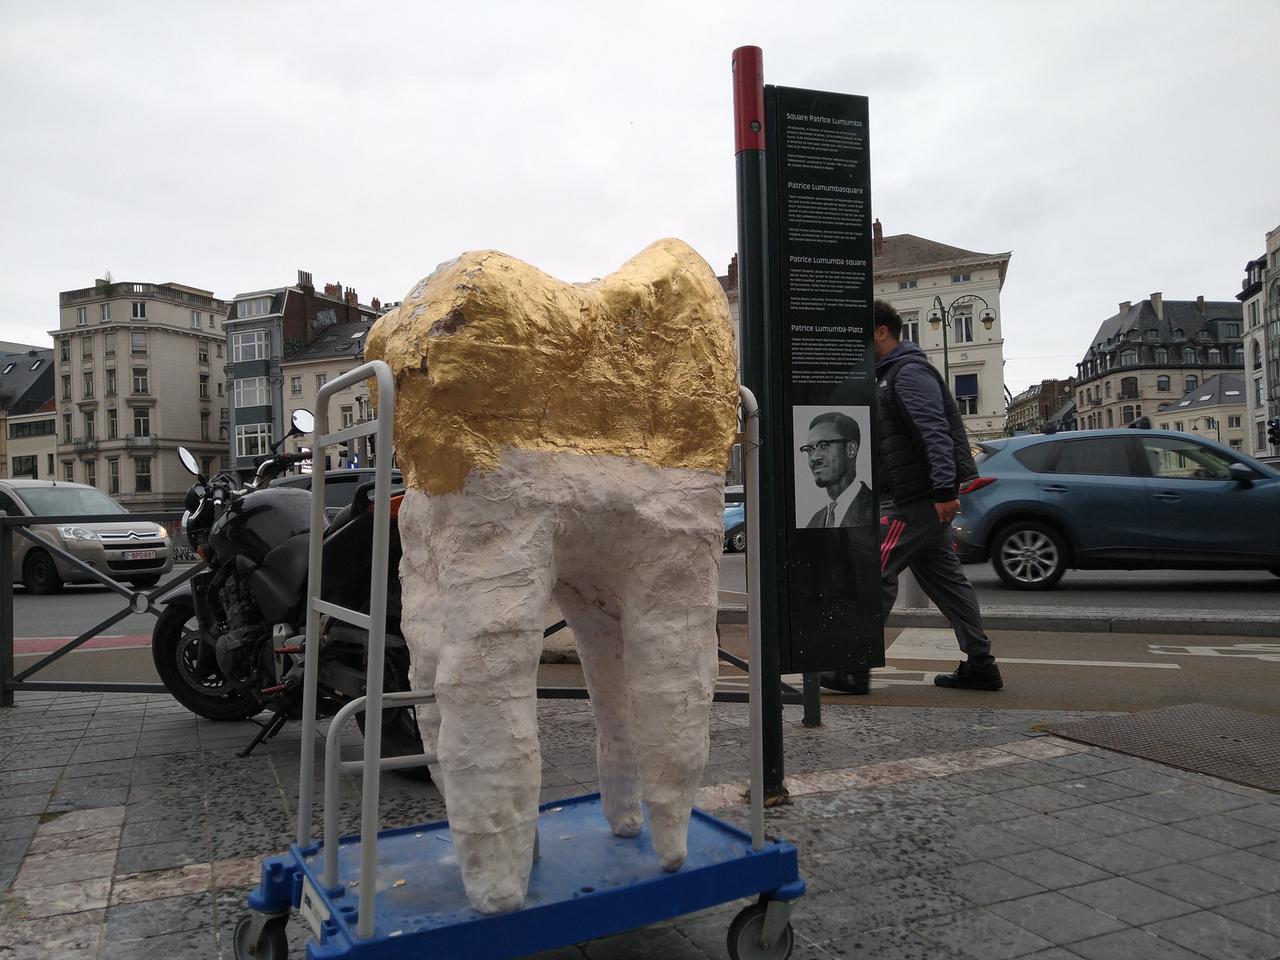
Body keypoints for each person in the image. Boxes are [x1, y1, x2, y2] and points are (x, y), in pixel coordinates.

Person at [822, 300, 1003, 694]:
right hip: (918, 498)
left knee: (872, 573)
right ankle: (981, 664)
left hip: (913, 499)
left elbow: (934, 432)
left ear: (881, 331)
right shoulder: (888, 374)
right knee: (948, 585)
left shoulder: (907, 373)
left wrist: (942, 491)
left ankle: (854, 668)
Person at [802, 412, 875, 529]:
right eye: (809, 449)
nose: (814, 457)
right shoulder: (814, 522)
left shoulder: (876, 510)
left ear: (851, 449)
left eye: (824, 445)